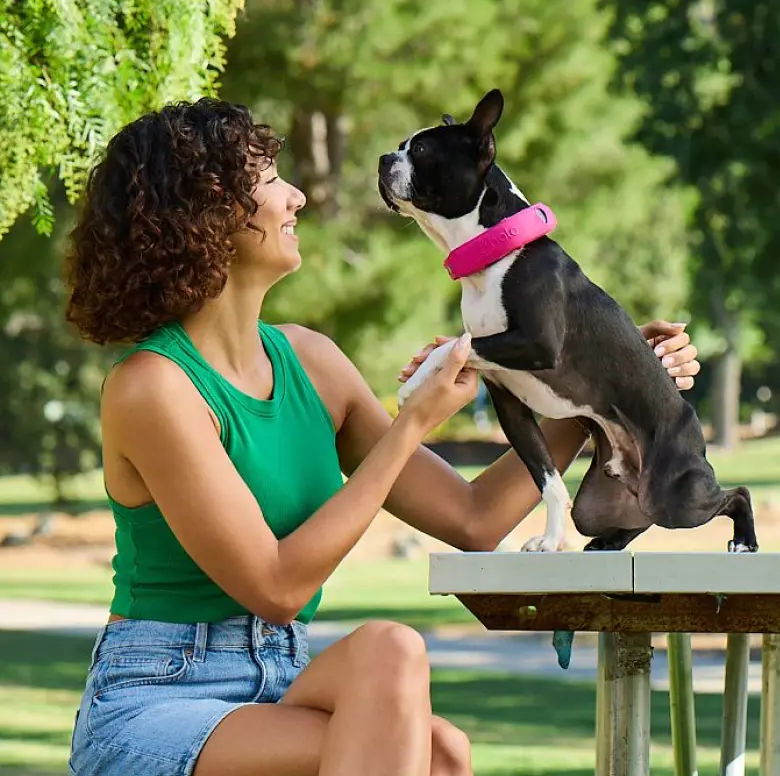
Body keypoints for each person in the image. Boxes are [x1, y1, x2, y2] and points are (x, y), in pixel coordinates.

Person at [64, 98, 701, 776]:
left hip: (282, 679)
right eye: (270, 181)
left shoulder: (310, 362)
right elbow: (276, 587)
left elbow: (474, 519)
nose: (297, 196)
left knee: (398, 667)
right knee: (433, 755)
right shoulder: (153, 388)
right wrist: (413, 424)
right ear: (208, 213)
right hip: (159, 696)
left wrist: (611, 390)